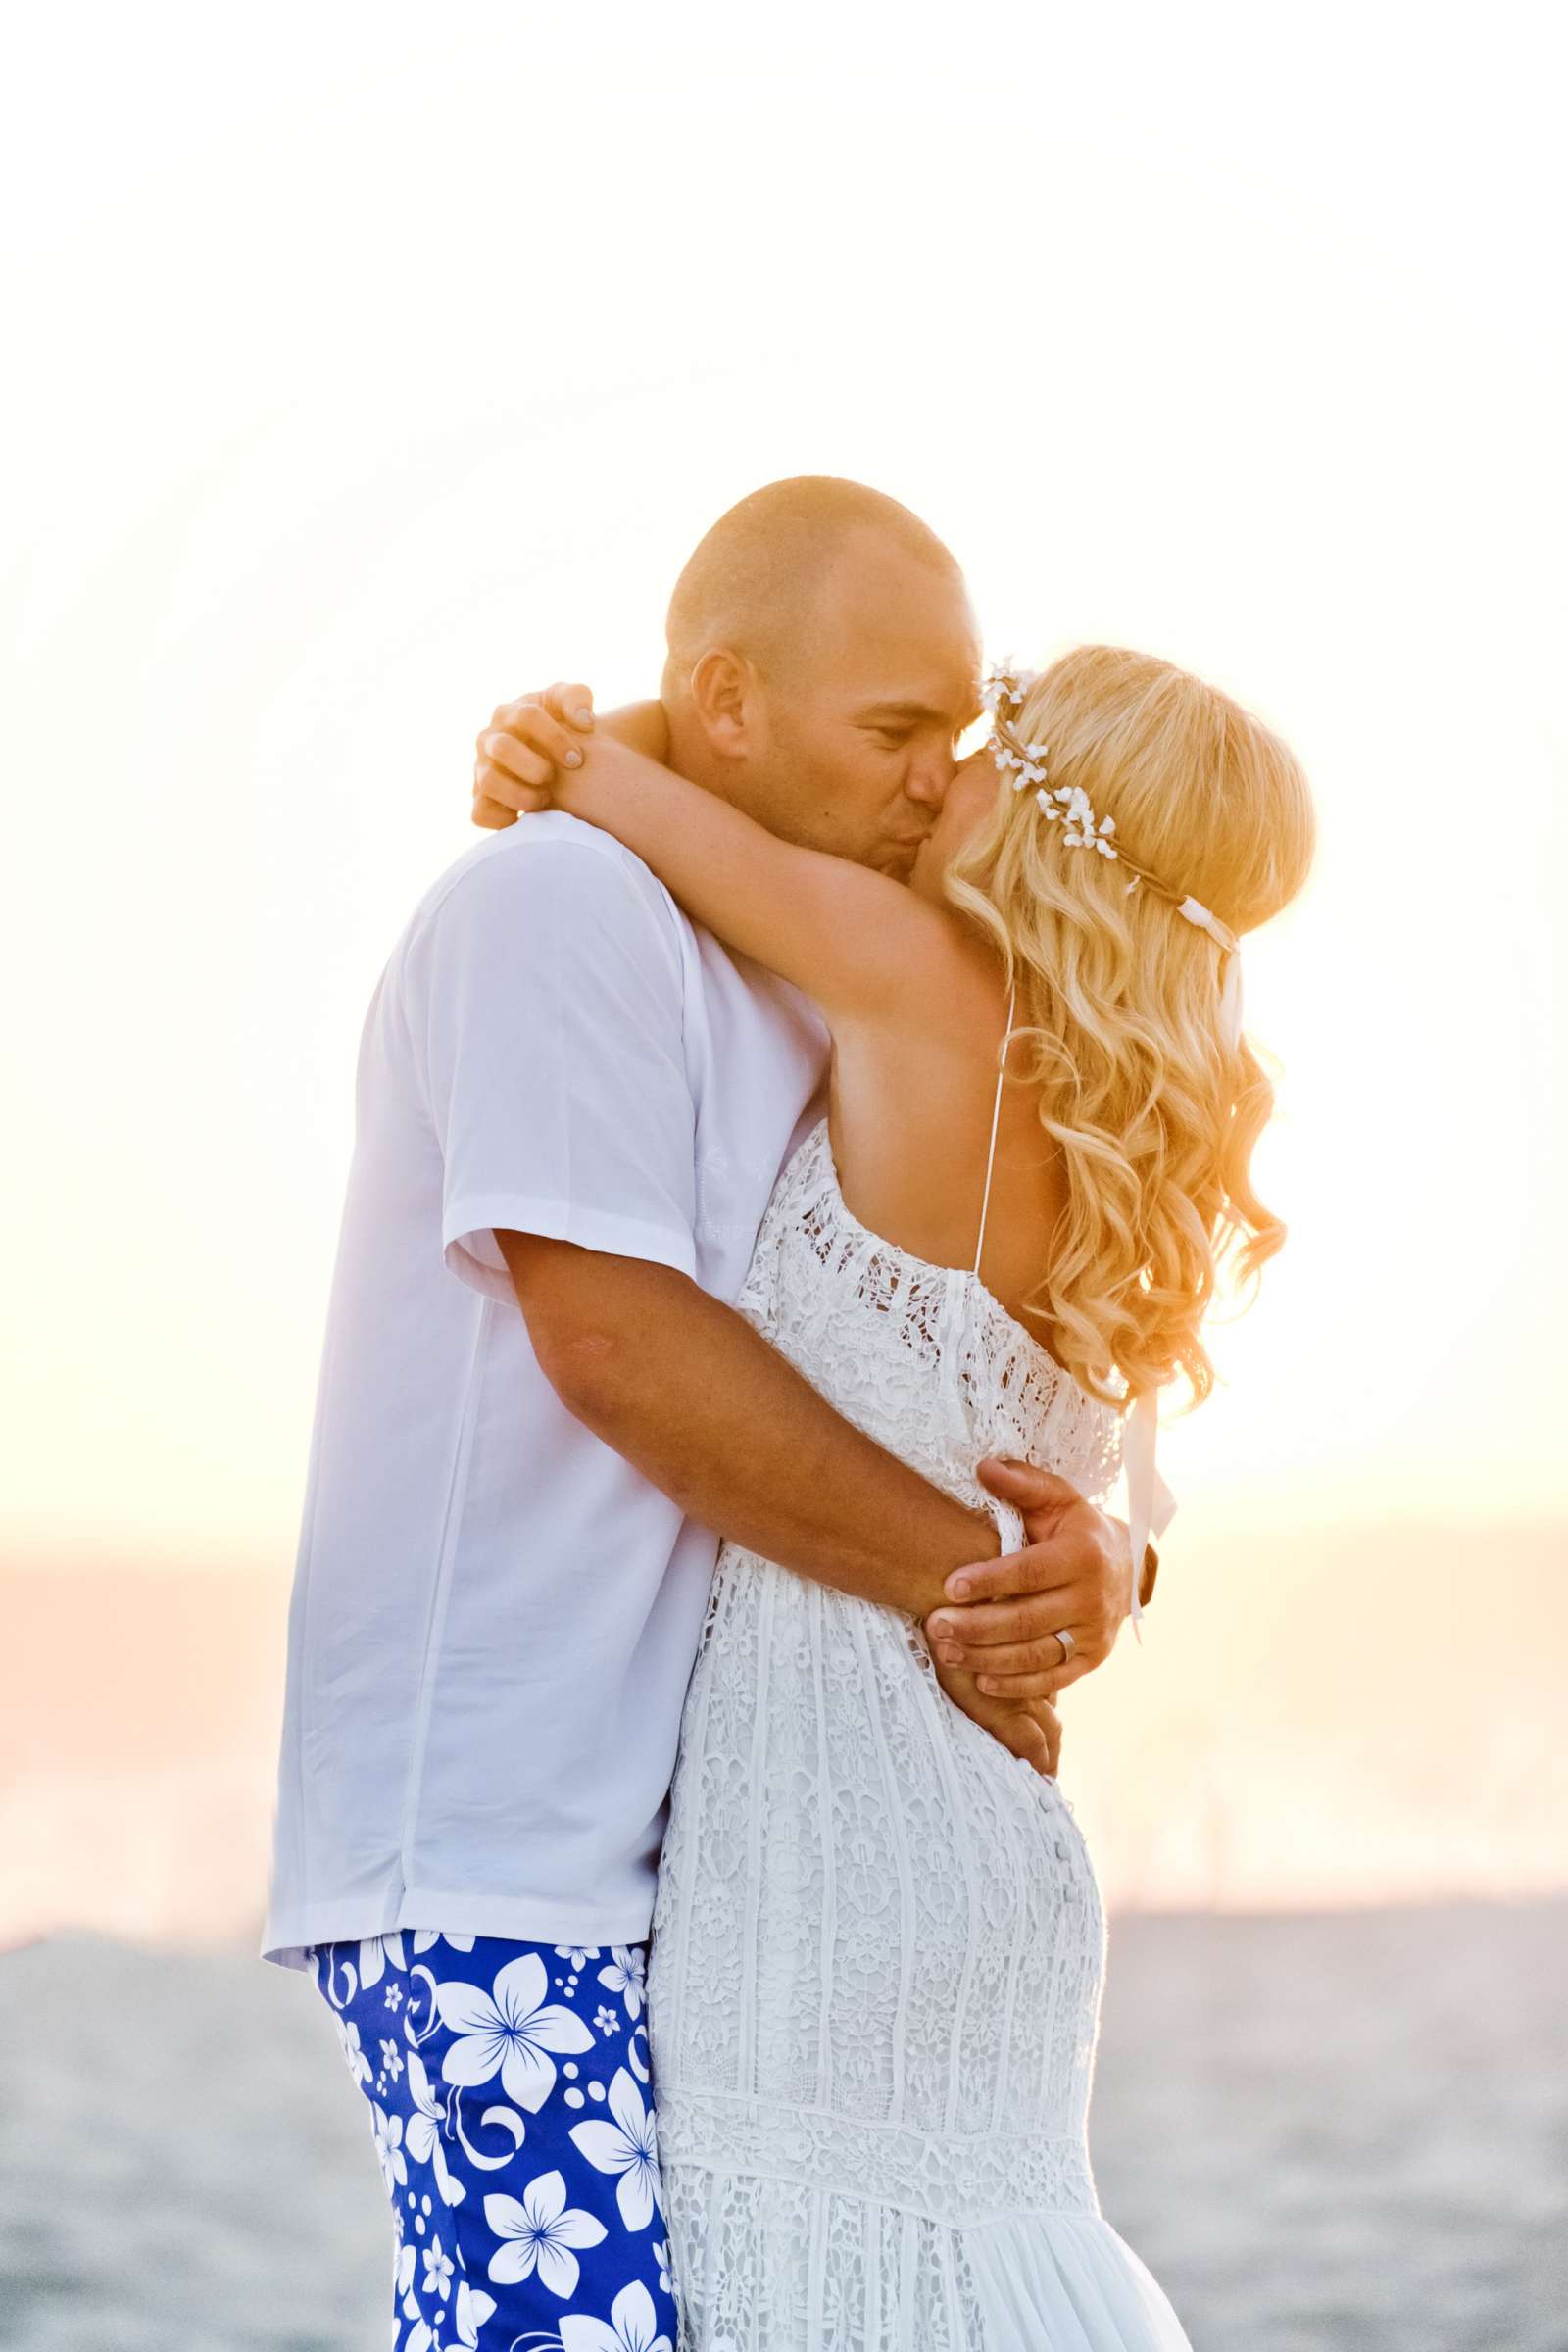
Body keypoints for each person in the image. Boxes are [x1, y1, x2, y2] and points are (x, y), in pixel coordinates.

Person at [261, 479, 1158, 2352]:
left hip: (680, 1851)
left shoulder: (802, 959)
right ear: (729, 703)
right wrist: (973, 1584)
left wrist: (1110, 1556)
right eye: (894, 733)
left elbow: (980, 1344)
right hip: (494, 1837)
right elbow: (619, 1349)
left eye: (958, 735)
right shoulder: (557, 906)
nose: (937, 781)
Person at [468, 630, 1314, 2347]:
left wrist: (551, 734)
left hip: (832, 1842)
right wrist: (1114, 1565)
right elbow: (1134, 1506)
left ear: (1052, 811)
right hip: (1000, 1863)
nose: (940, 774)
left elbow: (656, 781)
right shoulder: (1135, 1132)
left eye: (987, 742)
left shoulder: (916, 974)